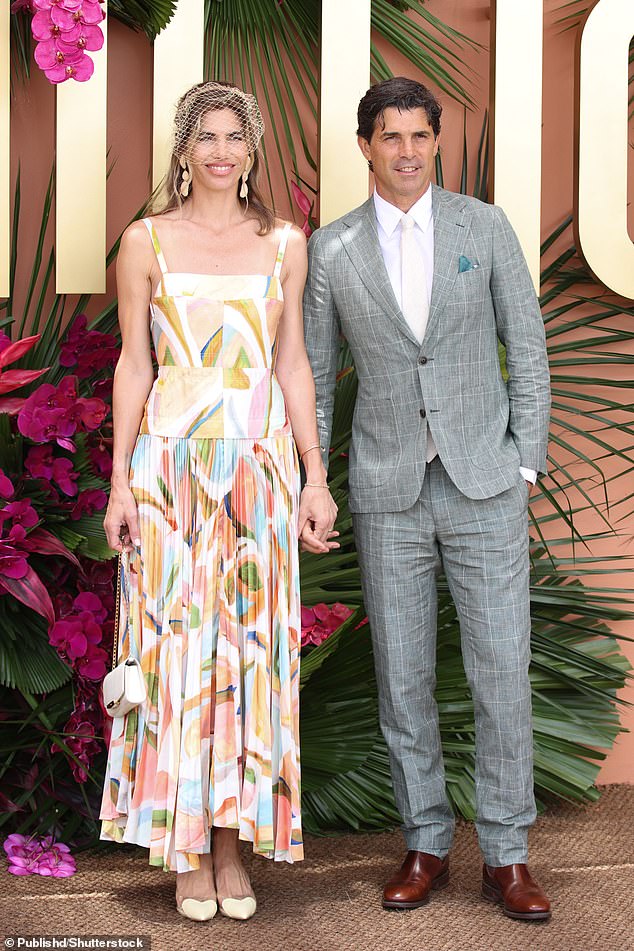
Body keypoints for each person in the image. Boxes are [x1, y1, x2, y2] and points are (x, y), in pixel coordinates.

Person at [303, 77, 552, 922]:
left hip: (485, 483)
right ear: (365, 146)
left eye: (419, 136)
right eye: (390, 137)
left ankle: (508, 855)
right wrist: (315, 478)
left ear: (436, 143)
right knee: (400, 675)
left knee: (500, 672)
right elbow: (313, 378)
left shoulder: (484, 227)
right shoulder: (333, 251)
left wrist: (523, 464)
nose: (406, 152)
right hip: (388, 490)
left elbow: (529, 342)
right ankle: (427, 840)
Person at [100, 81, 338, 923]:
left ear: (254, 147)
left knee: (247, 656)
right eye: (205, 135)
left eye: (235, 136)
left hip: (259, 474)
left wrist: (313, 473)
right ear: (182, 147)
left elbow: (294, 364)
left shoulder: (284, 242)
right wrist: (121, 478)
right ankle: (187, 847)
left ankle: (235, 845)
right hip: (170, 477)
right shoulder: (145, 241)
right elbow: (135, 364)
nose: (220, 150)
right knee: (179, 659)